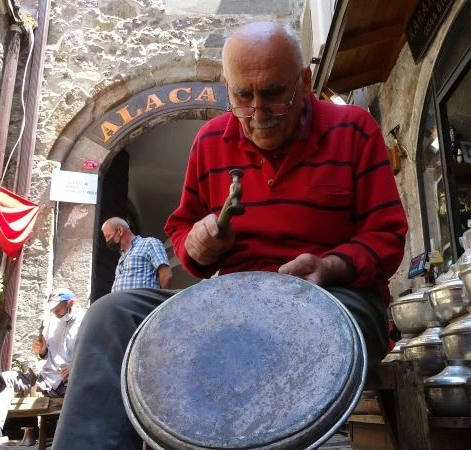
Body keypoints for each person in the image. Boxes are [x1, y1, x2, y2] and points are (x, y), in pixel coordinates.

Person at [52, 21, 407, 450]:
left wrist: (329, 266)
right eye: (243, 96)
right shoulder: (209, 141)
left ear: (306, 81)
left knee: (296, 335)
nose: (258, 113)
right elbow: (182, 234)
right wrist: (198, 246)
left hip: (335, 296)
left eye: (275, 93)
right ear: (227, 87)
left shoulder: (354, 129)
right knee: (112, 315)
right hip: (234, 304)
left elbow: (386, 236)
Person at [0, 288, 83, 438]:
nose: (55, 314)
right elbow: (47, 353)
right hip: (44, 379)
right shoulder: (52, 320)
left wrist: (76, 367)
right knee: (5, 378)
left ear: (71, 303)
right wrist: (42, 351)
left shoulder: (86, 322)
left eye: (58, 310)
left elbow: (92, 353)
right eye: (52, 310)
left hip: (68, 383)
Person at [101, 217, 174, 291]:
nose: (107, 241)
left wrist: (159, 300)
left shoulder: (149, 243)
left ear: (120, 231)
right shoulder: (121, 258)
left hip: (143, 302)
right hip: (118, 302)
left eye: (108, 236)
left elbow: (166, 274)